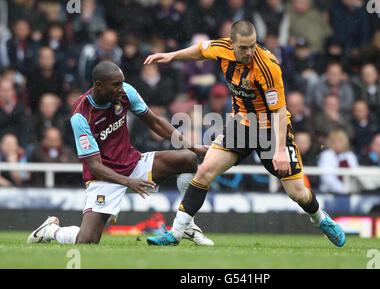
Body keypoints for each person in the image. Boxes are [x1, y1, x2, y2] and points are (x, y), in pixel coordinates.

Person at [143, 20, 345, 247]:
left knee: (297, 193)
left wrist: (279, 150)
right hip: (241, 126)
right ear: (232, 43)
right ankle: (176, 234)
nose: (249, 52)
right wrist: (172, 56)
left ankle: (320, 218)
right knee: (205, 172)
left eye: (252, 45)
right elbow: (200, 51)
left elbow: (278, 110)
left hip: (271, 130)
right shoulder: (222, 48)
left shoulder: (267, 67)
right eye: (243, 47)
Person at [27, 61, 213, 246]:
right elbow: (95, 166)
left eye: (122, 83)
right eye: (116, 84)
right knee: (87, 241)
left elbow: (155, 122)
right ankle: (51, 230)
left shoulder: (125, 93)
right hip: (103, 177)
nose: (121, 88)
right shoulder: (81, 115)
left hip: (133, 164)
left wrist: (193, 146)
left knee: (187, 159)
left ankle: (186, 225)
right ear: (99, 86)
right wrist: (128, 182)